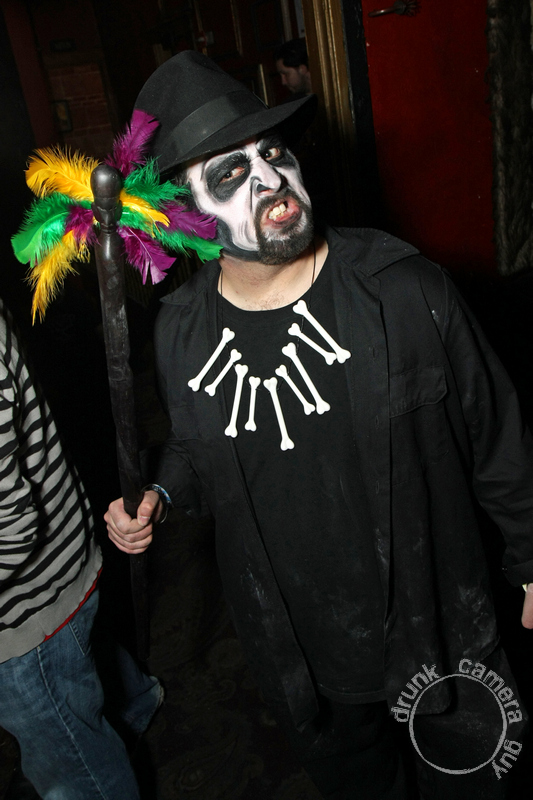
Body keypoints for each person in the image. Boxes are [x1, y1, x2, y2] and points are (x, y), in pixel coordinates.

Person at [105, 51, 533, 799]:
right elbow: (198, 446)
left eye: (273, 154)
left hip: (437, 625)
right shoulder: (180, 333)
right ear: (184, 216)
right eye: (230, 174)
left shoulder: (405, 293)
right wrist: (159, 496)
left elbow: (496, 433)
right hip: (301, 650)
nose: (269, 179)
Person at [0, 298, 161, 799]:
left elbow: (9, 525)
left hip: (28, 610)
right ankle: (130, 711)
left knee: (78, 776)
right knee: (88, 667)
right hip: (61, 565)